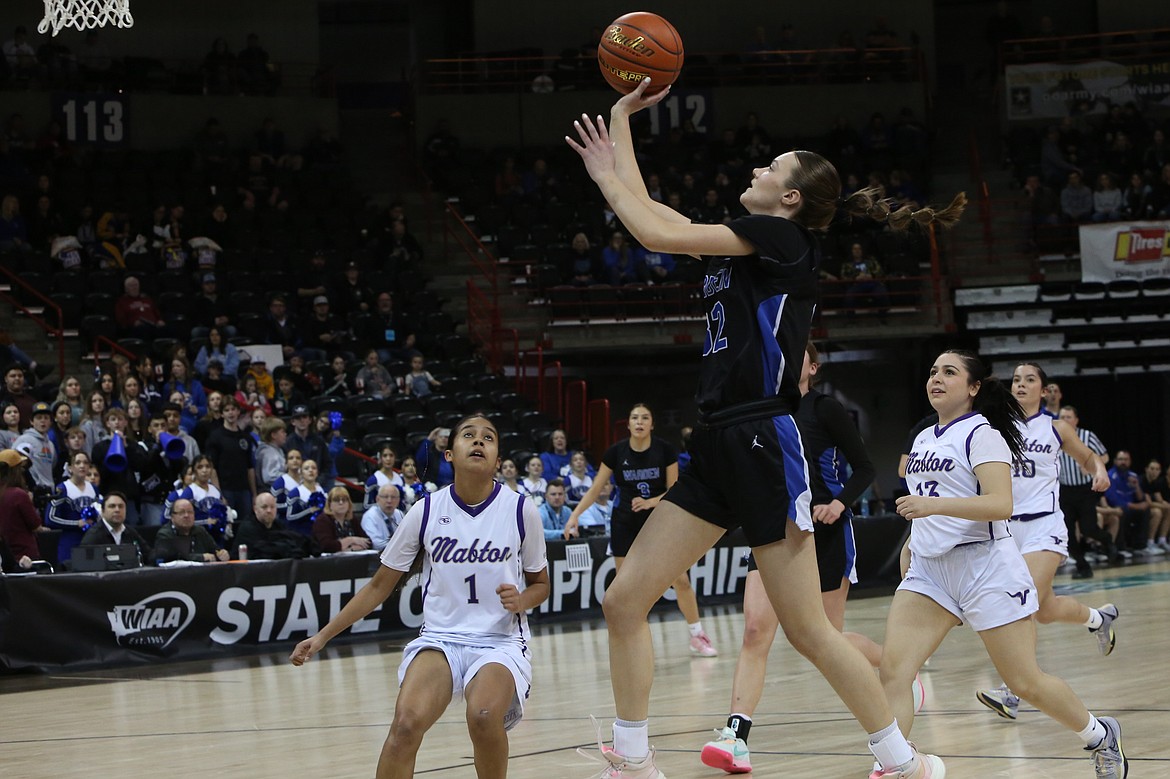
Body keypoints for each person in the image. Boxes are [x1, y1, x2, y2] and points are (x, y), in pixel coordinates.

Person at [565, 78, 967, 778]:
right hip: (718, 439)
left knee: (809, 629)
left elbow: (654, 229)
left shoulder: (783, 238)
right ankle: (632, 756)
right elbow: (661, 213)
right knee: (624, 598)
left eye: (770, 167)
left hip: (761, 435)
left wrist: (603, 173)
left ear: (789, 198)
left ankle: (900, 759)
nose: (755, 168)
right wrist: (624, 122)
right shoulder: (746, 244)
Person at [882, 350, 1127, 778]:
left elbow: (1000, 503)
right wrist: (911, 545)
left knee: (1024, 682)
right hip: (930, 570)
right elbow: (922, 507)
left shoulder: (983, 435)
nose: (936, 378)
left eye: (950, 372)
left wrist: (932, 505)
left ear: (974, 388)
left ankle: (1098, 734)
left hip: (986, 566)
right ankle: (897, 766)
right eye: (933, 370)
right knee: (893, 671)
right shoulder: (922, 439)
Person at [290, 414, 550, 779]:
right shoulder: (426, 510)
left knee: (484, 717)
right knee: (405, 727)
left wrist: (523, 600)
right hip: (441, 638)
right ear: (449, 455)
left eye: (488, 438)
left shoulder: (521, 509)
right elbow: (379, 586)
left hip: (499, 641)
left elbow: (542, 584)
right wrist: (322, 637)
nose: (479, 442)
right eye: (469, 436)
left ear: (497, 457)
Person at [701, 342, 891, 773]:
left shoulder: (825, 409)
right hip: (771, 529)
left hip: (823, 532)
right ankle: (736, 736)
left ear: (814, 365)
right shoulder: (762, 411)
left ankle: (896, 665)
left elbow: (864, 467)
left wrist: (840, 503)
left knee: (826, 639)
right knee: (754, 630)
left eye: (797, 354)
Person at [972, 362, 1119, 722]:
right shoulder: (993, 427)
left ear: (1044, 390)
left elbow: (1087, 458)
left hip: (1044, 525)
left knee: (1025, 602)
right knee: (1045, 609)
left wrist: (1099, 472)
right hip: (1007, 529)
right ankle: (1098, 618)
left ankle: (1011, 691)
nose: (1021, 385)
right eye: (1017, 380)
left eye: (1030, 380)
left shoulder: (1056, 427)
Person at [565, 402, 717, 659]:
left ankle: (697, 635)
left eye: (644, 417)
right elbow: (594, 490)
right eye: (634, 417)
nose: (639, 421)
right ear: (628, 424)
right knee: (626, 590)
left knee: (680, 580)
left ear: (652, 424)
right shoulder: (615, 452)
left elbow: (674, 489)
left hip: (659, 522)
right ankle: (631, 643)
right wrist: (574, 516)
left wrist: (651, 502)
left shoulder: (665, 450)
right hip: (624, 522)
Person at [203, 396, 257, 527]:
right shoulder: (215, 436)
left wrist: (254, 494)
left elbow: (250, 467)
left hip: (244, 490)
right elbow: (212, 468)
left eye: (233, 409)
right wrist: (219, 494)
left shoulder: (246, 437)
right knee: (227, 526)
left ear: (238, 411)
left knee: (246, 525)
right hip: (226, 489)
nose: (231, 413)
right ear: (221, 414)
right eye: (227, 410)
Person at [45, 449, 101, 564]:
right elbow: (50, 518)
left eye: (85, 463)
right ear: (70, 468)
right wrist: (76, 523)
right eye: (78, 463)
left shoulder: (93, 488)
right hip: (70, 540)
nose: (82, 466)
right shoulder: (63, 488)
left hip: (91, 540)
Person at [166, 455, 230, 542]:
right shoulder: (189, 492)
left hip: (216, 538)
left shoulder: (216, 490)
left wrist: (227, 522)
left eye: (208, 466)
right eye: (200, 467)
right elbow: (181, 519)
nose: (205, 470)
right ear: (194, 471)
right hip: (196, 539)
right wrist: (205, 522)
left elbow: (223, 512)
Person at [78, 490, 152, 564]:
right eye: (112, 506)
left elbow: (148, 555)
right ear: (103, 511)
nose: (117, 510)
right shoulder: (93, 535)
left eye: (121, 506)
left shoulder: (131, 532)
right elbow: (84, 563)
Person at [0, 449, 44, 571]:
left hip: (5, 558)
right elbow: (35, 525)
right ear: (15, 471)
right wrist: (30, 502)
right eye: (21, 468)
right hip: (26, 557)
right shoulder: (19, 495)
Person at [1102, 450, 1151, 558]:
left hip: (1131, 506)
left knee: (1145, 511)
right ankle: (1121, 547)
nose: (1123, 462)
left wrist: (1137, 486)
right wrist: (1135, 506)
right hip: (1116, 507)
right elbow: (1113, 499)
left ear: (1130, 461)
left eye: (1126, 459)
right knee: (1122, 512)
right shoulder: (1110, 475)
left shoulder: (1133, 475)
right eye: (1121, 459)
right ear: (1115, 461)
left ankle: (1140, 546)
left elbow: (1140, 498)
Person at [153, 498, 229, 563]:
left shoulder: (200, 531)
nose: (186, 515)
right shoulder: (165, 534)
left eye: (190, 512)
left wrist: (222, 554)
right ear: (172, 517)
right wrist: (201, 558)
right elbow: (171, 558)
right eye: (182, 512)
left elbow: (215, 550)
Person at [313, 487, 371, 553]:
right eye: (336, 500)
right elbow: (326, 546)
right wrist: (351, 540)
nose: (341, 503)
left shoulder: (352, 519)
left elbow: (368, 542)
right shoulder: (322, 520)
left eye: (344, 500)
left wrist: (351, 549)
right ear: (329, 504)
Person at [287, 458, 327, 535]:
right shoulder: (295, 493)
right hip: (302, 534)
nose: (310, 470)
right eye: (306, 468)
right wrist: (308, 511)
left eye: (314, 468)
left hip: (321, 532)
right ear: (301, 473)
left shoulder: (322, 491)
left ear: (317, 472)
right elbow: (289, 517)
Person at [361, 483, 404, 552]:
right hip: (376, 557)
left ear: (398, 500)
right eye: (385, 497)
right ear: (377, 499)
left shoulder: (399, 514)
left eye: (393, 497)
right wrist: (400, 546)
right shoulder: (370, 516)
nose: (389, 501)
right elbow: (375, 544)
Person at [1141, 459, 1170, 553]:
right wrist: (1165, 506)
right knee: (1157, 512)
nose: (1154, 471)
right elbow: (1148, 503)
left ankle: (1162, 540)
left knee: (1167, 510)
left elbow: (1159, 499)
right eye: (1152, 469)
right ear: (1146, 469)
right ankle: (1150, 542)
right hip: (1138, 506)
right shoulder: (1142, 481)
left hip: (1146, 506)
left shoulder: (1155, 482)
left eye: (1157, 469)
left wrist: (1166, 505)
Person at [364, 444, 405, 511]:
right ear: (380, 458)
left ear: (395, 458)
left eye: (391, 455)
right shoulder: (374, 480)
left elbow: (403, 503)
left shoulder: (400, 479)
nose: (388, 459)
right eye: (385, 456)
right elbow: (366, 505)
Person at [271, 448, 302, 524]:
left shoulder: (306, 480)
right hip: (286, 522)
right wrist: (291, 506)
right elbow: (273, 505)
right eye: (291, 458)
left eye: (298, 458)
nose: (295, 460)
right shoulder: (281, 482)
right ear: (286, 462)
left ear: (302, 462)